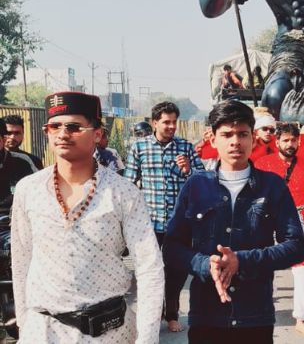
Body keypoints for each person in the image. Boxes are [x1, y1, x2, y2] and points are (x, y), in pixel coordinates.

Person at [11, 91, 163, 342]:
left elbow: (149, 268)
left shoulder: (123, 192)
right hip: (44, 331)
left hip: (109, 332)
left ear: (98, 134)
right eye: (54, 127)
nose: (62, 134)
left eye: (73, 127)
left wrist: (147, 338)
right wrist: (24, 324)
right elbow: (21, 261)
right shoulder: (29, 189)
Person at [163, 100, 304, 344]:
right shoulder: (196, 187)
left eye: (242, 134)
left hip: (255, 317)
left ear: (253, 139)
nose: (235, 142)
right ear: (213, 140)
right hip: (206, 316)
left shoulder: (272, 187)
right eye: (227, 134)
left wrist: (243, 260)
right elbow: (172, 247)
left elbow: (296, 247)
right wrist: (204, 264)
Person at [124, 101, 204, 333]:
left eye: (174, 122)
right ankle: (153, 314)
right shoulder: (139, 148)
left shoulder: (185, 147)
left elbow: (203, 180)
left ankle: (172, 315)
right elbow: (129, 184)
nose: (171, 126)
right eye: (166, 122)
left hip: (179, 224)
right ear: (154, 123)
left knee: (177, 272)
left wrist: (189, 170)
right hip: (149, 224)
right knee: (151, 272)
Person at [256, 122, 304, 337]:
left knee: (303, 271)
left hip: (299, 222)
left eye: (294, 140)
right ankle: (264, 310)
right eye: (286, 140)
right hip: (269, 221)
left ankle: (301, 318)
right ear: (277, 142)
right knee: (266, 267)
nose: (290, 144)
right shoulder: (262, 164)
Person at [0, 118, 34, 211]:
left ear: (3, 139)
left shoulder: (24, 162)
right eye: (9, 133)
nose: (12, 137)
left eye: (17, 133)